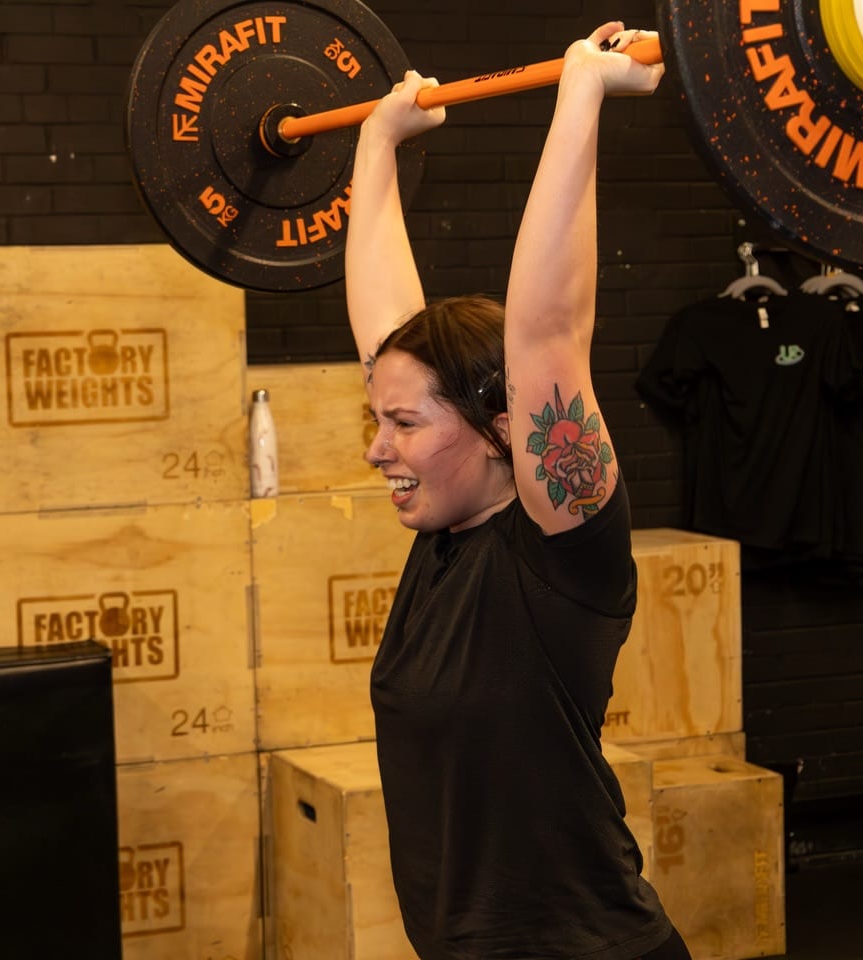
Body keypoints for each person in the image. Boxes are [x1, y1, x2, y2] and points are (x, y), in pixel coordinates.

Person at [344, 20, 691, 960]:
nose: (378, 449)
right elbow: (390, 336)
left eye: (404, 425)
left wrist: (582, 90)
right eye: (381, 421)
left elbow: (547, 334)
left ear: (504, 429)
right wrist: (376, 144)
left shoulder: (560, 551)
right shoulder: (444, 536)